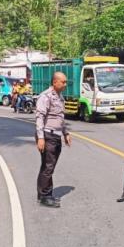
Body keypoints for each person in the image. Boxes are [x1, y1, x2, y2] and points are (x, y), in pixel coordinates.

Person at [35, 72, 71, 208]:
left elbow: (60, 117)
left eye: (66, 82)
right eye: (63, 82)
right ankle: (45, 196)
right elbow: (40, 117)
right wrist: (41, 137)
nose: (65, 84)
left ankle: (44, 194)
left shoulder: (60, 97)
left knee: (48, 166)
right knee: (48, 166)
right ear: (55, 82)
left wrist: (66, 133)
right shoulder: (46, 96)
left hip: (56, 135)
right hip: (47, 135)